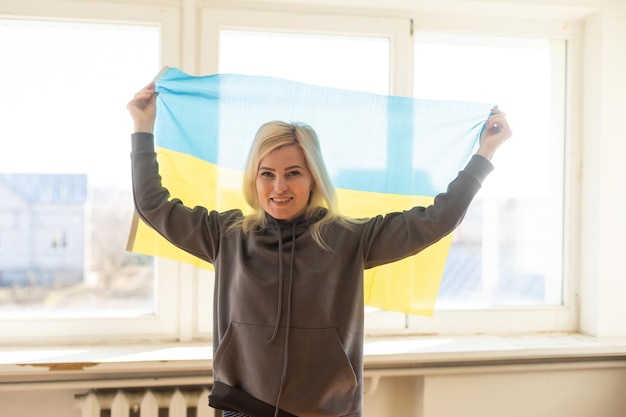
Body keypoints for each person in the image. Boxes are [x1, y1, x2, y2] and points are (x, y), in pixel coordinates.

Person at [127, 82, 512, 417]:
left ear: (313, 178)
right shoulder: (225, 235)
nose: (279, 187)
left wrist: (485, 154)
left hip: (328, 412)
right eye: (267, 174)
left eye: (293, 173)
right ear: (254, 178)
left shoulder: (349, 238)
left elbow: (437, 219)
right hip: (243, 407)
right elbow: (153, 205)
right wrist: (142, 128)